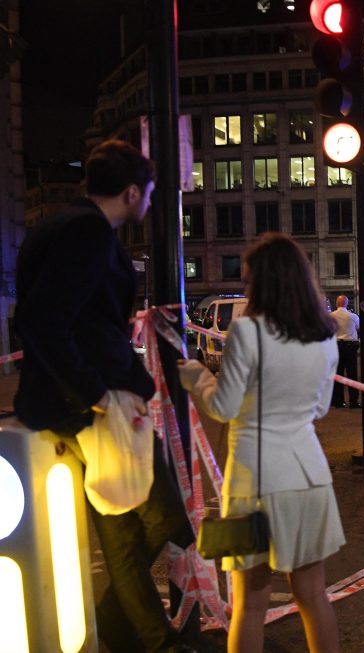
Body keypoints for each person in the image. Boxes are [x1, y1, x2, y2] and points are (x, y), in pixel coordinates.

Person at [14, 139, 194, 653]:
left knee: (124, 528)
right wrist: (95, 394)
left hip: (80, 402)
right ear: (132, 191)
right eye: (151, 193)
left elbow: (53, 316)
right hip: (96, 406)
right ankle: (142, 632)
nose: (150, 203)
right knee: (156, 518)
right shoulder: (89, 233)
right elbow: (45, 319)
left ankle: (137, 631)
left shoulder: (61, 224)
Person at [178, 233, 345, 653]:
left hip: (255, 482)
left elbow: (223, 405)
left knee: (250, 603)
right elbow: (321, 408)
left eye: (249, 279)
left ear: (263, 282)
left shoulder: (246, 331)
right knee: (313, 595)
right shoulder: (324, 336)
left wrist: (194, 375)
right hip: (309, 477)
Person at [329, 295, 360, 409]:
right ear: (346, 304)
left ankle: (338, 401)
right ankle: (353, 401)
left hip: (336, 346)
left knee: (338, 374)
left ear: (337, 304)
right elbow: (358, 328)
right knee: (352, 374)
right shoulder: (352, 316)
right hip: (350, 346)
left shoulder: (330, 316)